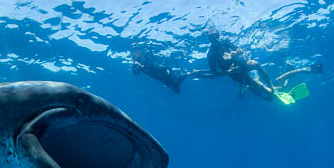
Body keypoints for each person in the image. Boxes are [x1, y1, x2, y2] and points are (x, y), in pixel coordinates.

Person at [132, 30, 323, 101]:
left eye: (214, 33)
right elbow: (215, 73)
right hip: (237, 75)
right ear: (207, 38)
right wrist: (228, 71)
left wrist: (233, 54)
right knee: (271, 96)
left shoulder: (225, 43)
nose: (213, 37)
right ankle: (290, 72)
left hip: (243, 66)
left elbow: (240, 50)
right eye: (209, 35)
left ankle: (297, 71)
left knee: (259, 70)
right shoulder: (210, 54)